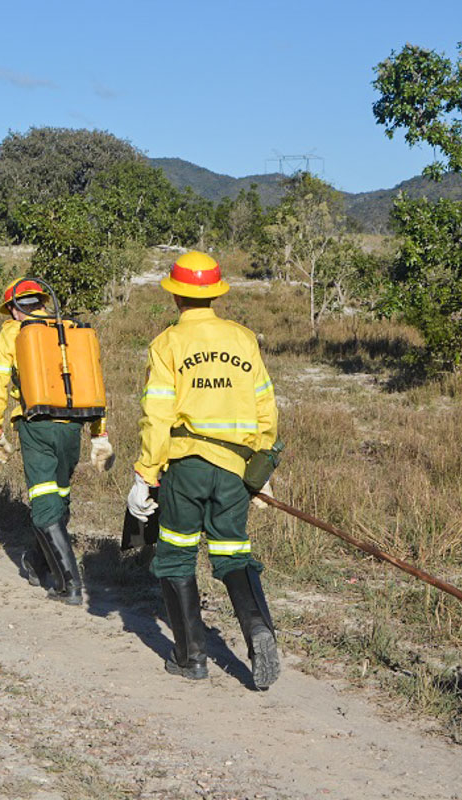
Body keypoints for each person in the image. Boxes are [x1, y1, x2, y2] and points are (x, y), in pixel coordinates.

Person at [126, 251, 280, 689]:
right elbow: (266, 406)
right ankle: (258, 630)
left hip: (187, 468)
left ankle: (190, 657)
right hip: (235, 469)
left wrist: (144, 473)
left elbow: (156, 416)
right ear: (215, 294)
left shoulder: (168, 344)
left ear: (175, 294)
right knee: (233, 555)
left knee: (175, 555)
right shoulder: (243, 338)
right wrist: (261, 461)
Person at [0, 280, 114, 606]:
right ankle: (38, 563)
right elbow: (92, 382)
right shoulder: (69, 331)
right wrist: (99, 432)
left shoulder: (14, 332)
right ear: (41, 302)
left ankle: (70, 584)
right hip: (72, 428)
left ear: (13, 307)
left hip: (36, 426)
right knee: (60, 496)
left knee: (42, 502)